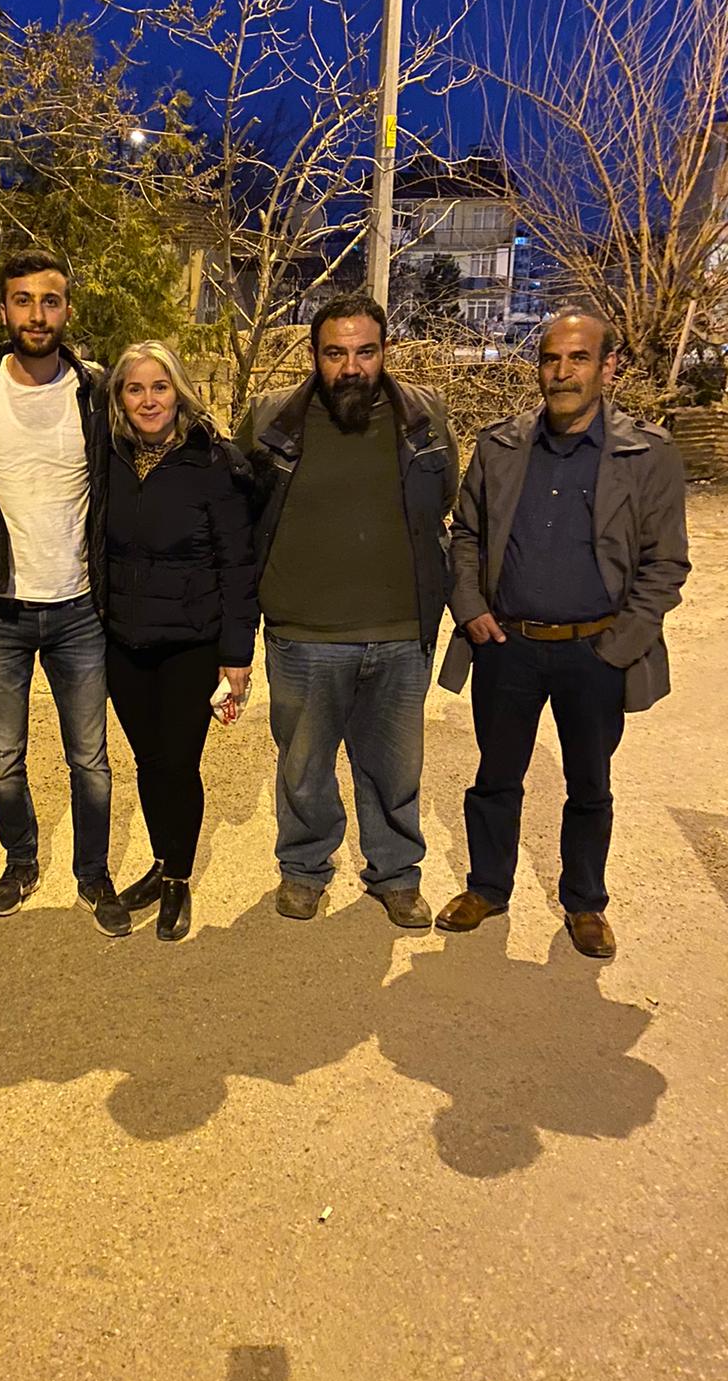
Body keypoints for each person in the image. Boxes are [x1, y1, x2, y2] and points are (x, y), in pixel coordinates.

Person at [437, 310, 690, 957]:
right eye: (551, 358)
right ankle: (487, 887)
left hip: (595, 651)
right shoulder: (500, 446)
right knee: (496, 777)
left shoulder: (648, 453)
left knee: (589, 785)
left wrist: (621, 644)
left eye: (579, 358)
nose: (563, 372)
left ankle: (585, 902)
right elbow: (465, 535)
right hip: (507, 646)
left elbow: (666, 562)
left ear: (608, 368)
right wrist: (470, 606)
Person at [235, 289, 458, 928]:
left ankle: (396, 874)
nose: (352, 367)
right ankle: (304, 869)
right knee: (303, 768)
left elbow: (441, 499)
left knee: (394, 768)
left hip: (401, 631)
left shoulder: (424, 417)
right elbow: (241, 508)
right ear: (314, 355)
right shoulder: (272, 419)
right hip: (302, 634)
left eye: (365, 352)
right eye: (336, 353)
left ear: (385, 351)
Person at [0, 250, 116, 925]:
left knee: (90, 760)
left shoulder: (95, 391)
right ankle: (20, 861)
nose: (37, 314)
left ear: (67, 310)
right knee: (1, 762)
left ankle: (93, 872)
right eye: (23, 300)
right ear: (3, 311)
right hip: (0, 608)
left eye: (50, 301)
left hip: (80, 607)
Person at [103, 343, 258, 941]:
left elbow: (238, 566)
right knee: (147, 762)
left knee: (178, 762)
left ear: (179, 392)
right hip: (124, 642)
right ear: (120, 399)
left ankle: (178, 878)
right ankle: (161, 859)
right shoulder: (110, 458)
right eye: (135, 388)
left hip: (191, 644)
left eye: (159, 387)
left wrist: (236, 655)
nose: (148, 400)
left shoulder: (212, 463)